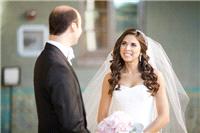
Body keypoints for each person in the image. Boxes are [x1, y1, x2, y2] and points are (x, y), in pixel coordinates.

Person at [83, 28, 189, 133]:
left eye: (133, 45)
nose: (127, 48)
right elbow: (102, 116)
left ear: (141, 50)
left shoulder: (155, 76)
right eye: (124, 43)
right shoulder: (110, 78)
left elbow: (164, 116)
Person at [34, 5, 90, 133]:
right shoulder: (58, 65)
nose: (81, 30)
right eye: (80, 25)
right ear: (73, 26)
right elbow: (72, 125)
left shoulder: (45, 57)